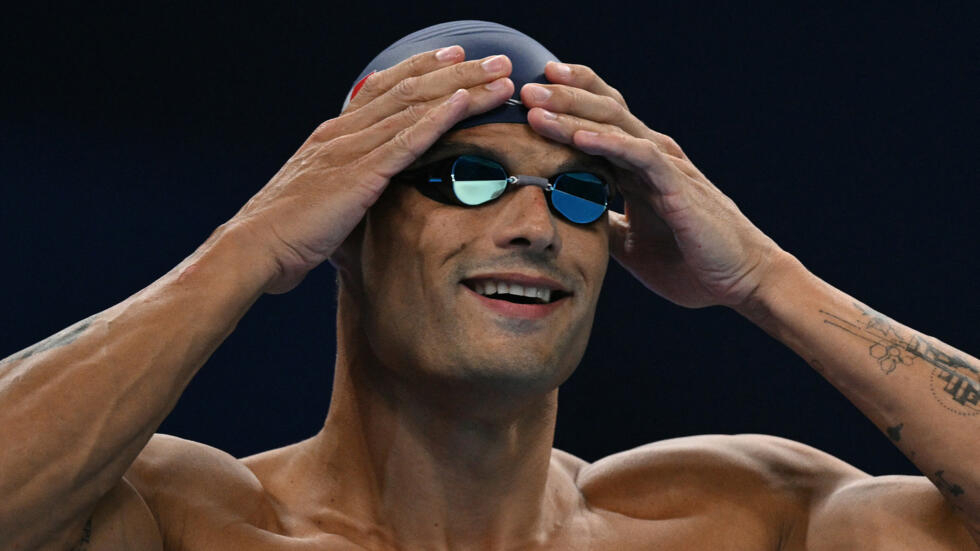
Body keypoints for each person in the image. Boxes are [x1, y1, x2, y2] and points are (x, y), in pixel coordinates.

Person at [1, 20, 977, 550]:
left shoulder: (738, 518)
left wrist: (764, 277)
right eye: (465, 178)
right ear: (346, 222)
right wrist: (250, 245)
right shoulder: (186, 521)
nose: (532, 226)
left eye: (582, 193)